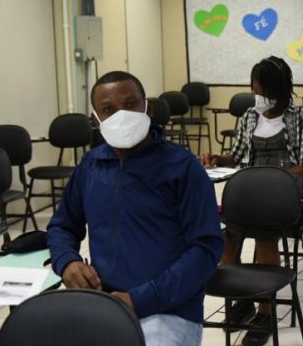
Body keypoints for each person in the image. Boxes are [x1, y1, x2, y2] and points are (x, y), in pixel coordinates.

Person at [47, 71, 223, 346]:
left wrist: (141, 299)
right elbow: (62, 225)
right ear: (96, 119)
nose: (121, 115)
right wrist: (67, 261)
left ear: (147, 108)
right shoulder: (91, 166)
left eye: (130, 105)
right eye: (108, 109)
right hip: (106, 303)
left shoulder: (181, 166)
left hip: (168, 309)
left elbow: (206, 247)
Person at [199, 56, 303, 346]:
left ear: (279, 89)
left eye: (262, 89)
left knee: (265, 239)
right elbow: (237, 155)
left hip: (287, 193)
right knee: (227, 238)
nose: (258, 96)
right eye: (255, 89)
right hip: (250, 192)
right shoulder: (251, 115)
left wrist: (273, 181)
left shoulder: (301, 116)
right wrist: (218, 158)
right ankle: (241, 301)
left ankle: (265, 311)